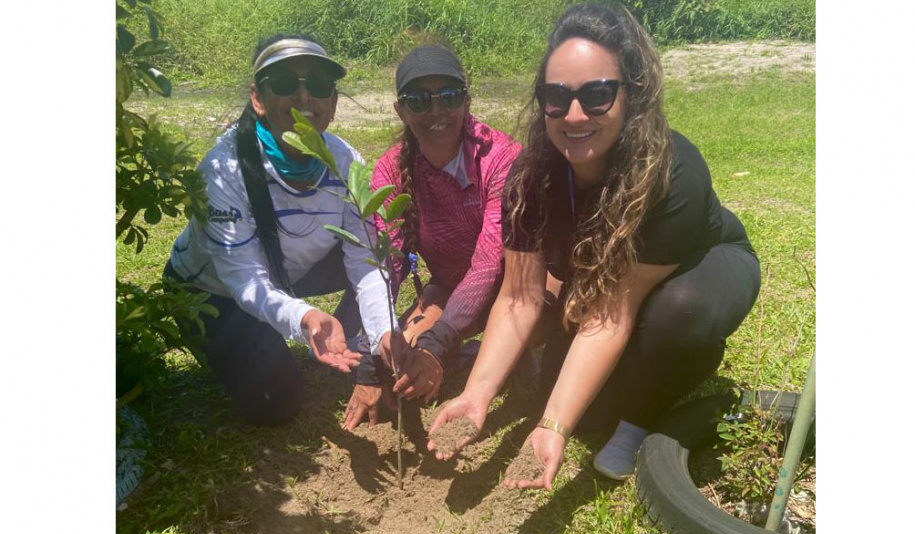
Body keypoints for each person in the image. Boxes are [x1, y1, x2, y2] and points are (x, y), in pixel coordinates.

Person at [427, 3, 761, 488]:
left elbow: (612, 313)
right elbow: (520, 297)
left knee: (675, 314)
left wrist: (551, 425)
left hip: (704, 266)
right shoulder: (530, 177)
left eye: (598, 95)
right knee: (582, 415)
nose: (574, 115)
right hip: (609, 284)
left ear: (632, 94)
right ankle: (647, 368)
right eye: (556, 97)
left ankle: (651, 405)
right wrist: (478, 393)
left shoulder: (673, 171)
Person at [165, 34, 404, 426]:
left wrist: (383, 334)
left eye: (319, 85)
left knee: (376, 254)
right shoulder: (223, 170)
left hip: (286, 271)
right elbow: (245, 281)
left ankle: (349, 341)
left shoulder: (345, 163)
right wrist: (303, 316)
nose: (304, 98)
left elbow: (365, 262)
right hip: (212, 293)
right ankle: (238, 337)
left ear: (334, 103)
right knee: (276, 402)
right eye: (285, 84)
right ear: (258, 98)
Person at [340, 45, 522, 431]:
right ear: (401, 110)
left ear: (467, 100)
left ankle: (509, 354)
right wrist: (376, 351)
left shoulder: (501, 158)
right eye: (420, 100)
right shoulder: (391, 168)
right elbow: (387, 261)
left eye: (450, 97)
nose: (437, 111)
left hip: (516, 289)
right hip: (448, 288)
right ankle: (460, 349)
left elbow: (490, 262)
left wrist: (438, 344)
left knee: (434, 347)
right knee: (403, 355)